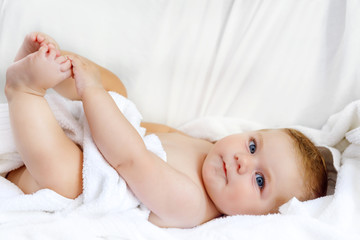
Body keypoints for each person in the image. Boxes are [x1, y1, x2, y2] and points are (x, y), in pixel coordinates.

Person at [4, 32, 328, 228]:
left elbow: (130, 159)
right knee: (118, 90)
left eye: (260, 181)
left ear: (258, 219)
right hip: (105, 136)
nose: (244, 161)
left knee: (67, 177)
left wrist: (92, 92)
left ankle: (24, 91)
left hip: (98, 177)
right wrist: (105, 96)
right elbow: (143, 129)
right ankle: (56, 67)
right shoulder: (204, 146)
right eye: (254, 146)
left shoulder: (191, 202)